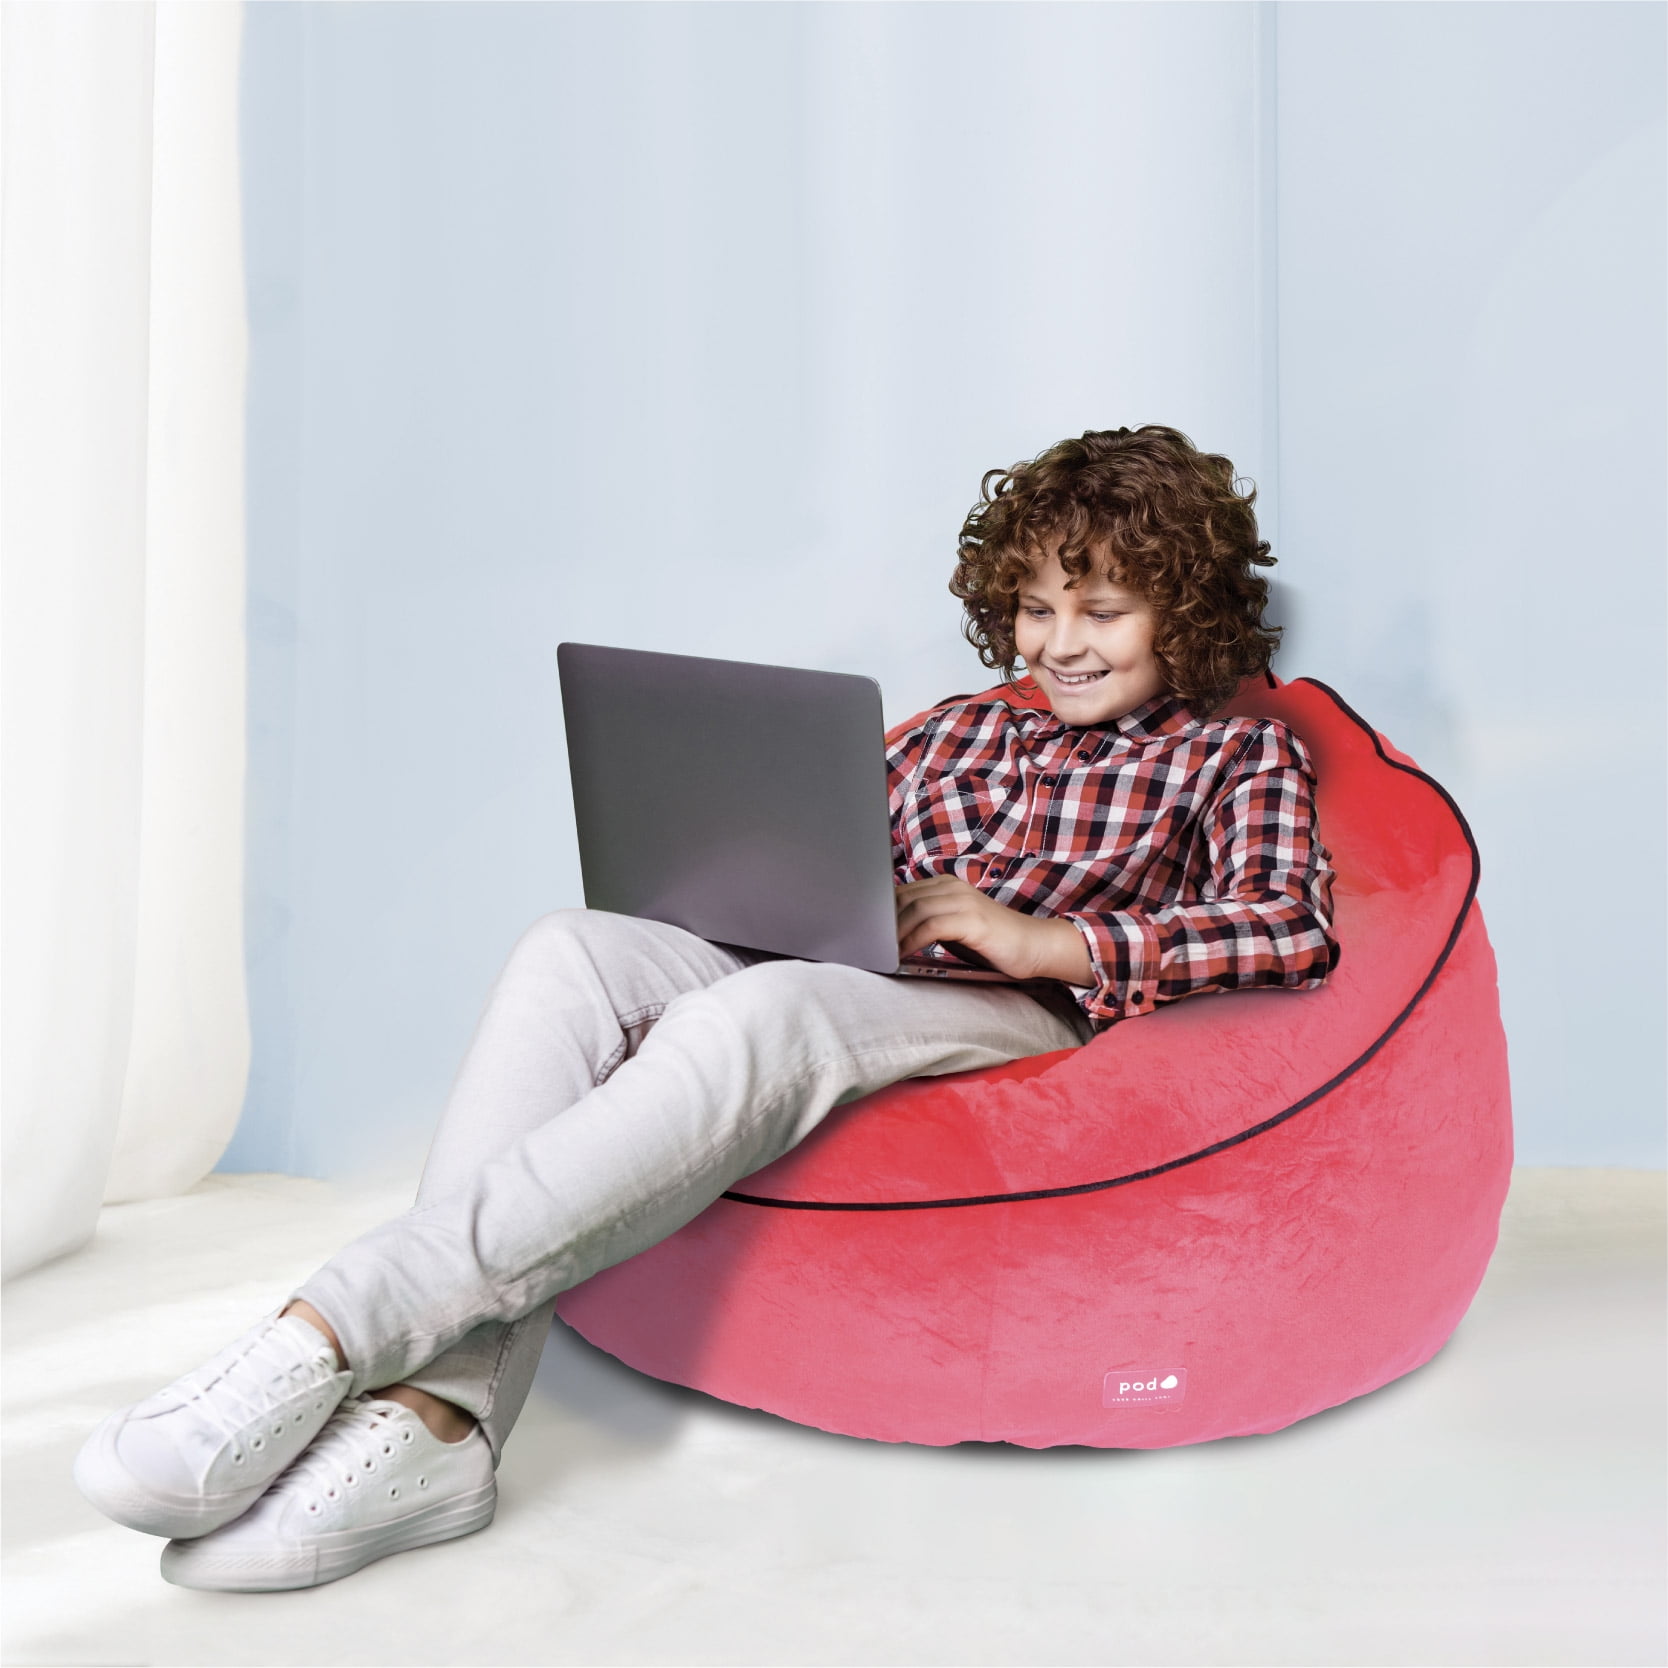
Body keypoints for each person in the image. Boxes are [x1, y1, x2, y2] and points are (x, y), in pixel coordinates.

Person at [73, 424, 1339, 1592]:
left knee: (766, 1016)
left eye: (1103, 611)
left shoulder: (1236, 753)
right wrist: (765, 879)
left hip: (1018, 1015)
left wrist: (1041, 938)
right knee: (575, 947)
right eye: (1036, 607)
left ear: (1185, 613)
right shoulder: (957, 731)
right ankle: (438, 1426)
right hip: (852, 968)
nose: (1060, 641)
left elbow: (1292, 927)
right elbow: (817, 843)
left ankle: (330, 1328)